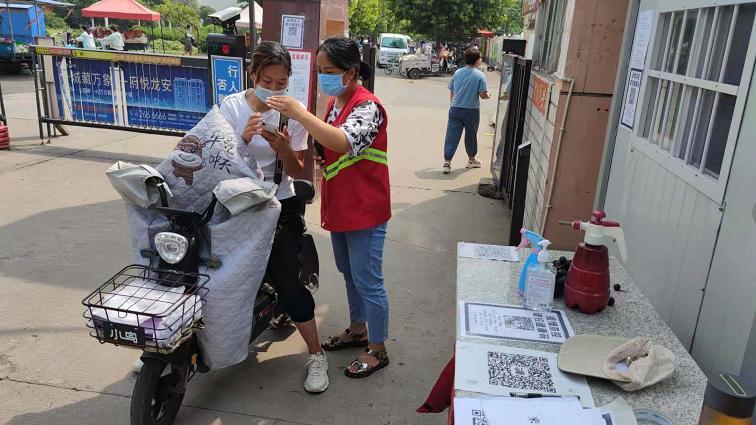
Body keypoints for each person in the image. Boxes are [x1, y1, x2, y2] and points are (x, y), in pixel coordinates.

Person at [266, 37, 391, 379]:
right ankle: (358, 328)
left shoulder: (368, 106)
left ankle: (378, 348)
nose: (324, 77)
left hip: (365, 209)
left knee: (369, 280)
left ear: (351, 72)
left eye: (330, 71)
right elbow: (328, 145)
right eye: (320, 71)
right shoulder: (337, 103)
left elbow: (344, 141)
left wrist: (300, 114)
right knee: (350, 274)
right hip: (343, 207)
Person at [218, 41, 329, 394]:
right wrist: (242, 137)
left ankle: (316, 353)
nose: (275, 89)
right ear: (253, 75)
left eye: (282, 83)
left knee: (287, 277)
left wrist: (283, 147)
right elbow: (215, 156)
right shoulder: (231, 106)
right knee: (205, 264)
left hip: (279, 203)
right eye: (269, 80)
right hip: (235, 198)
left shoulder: (293, 114)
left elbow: (299, 171)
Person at [442, 47, 490, 174]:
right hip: (471, 110)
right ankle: (471, 159)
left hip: (455, 108)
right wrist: (488, 95)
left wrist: (453, 104)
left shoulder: (458, 72)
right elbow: (482, 94)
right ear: (477, 60)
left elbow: (452, 90)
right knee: (471, 135)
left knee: (452, 135)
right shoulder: (480, 75)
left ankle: (447, 162)